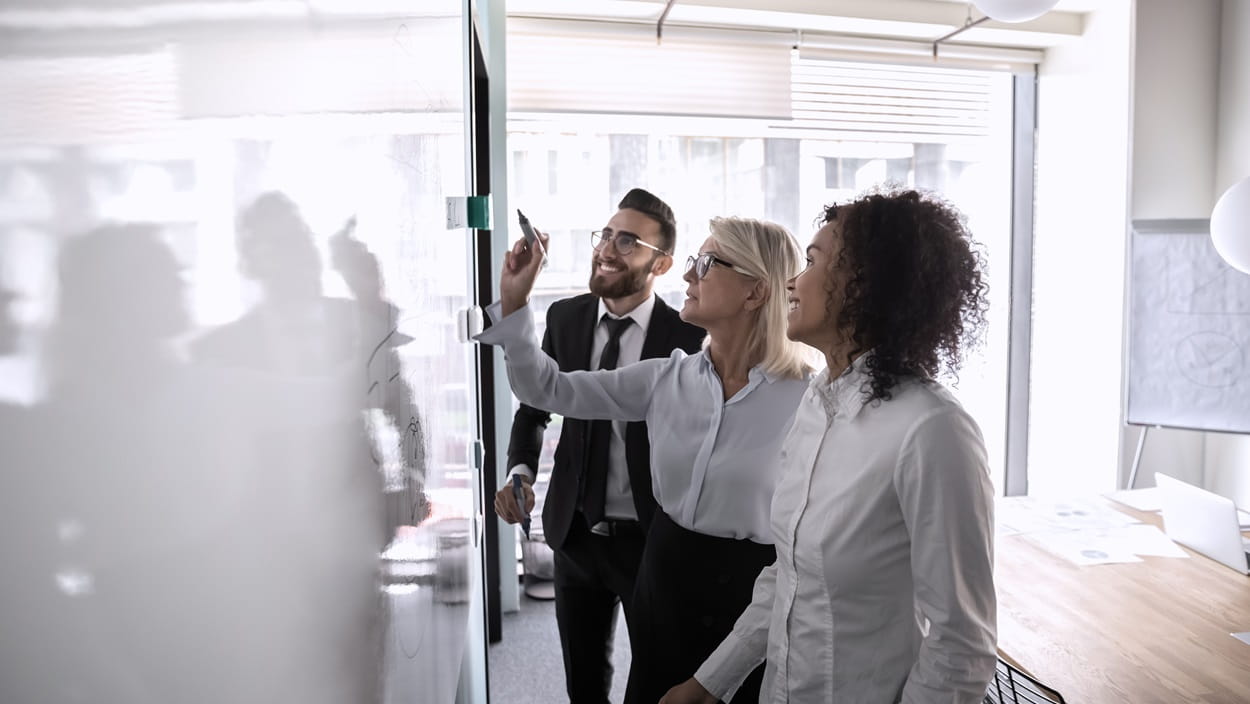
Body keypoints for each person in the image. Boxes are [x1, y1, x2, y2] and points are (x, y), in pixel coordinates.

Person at [660, 187, 997, 704]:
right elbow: (787, 577)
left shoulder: (932, 430)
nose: (792, 281)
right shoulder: (816, 402)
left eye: (812, 262)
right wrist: (709, 684)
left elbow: (961, 646)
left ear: (864, 284)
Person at [480, 213, 815, 704]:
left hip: (751, 599)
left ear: (755, 292)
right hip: (665, 581)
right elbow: (546, 388)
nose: (686, 275)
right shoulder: (665, 379)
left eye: (706, 264)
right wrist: (515, 301)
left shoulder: (808, 400)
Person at [491, 188, 704, 704]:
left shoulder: (689, 336)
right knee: (583, 683)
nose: (607, 248)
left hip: (653, 540)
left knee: (657, 679)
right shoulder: (565, 318)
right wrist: (520, 471)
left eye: (628, 241)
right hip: (575, 532)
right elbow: (534, 408)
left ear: (663, 263)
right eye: (606, 234)